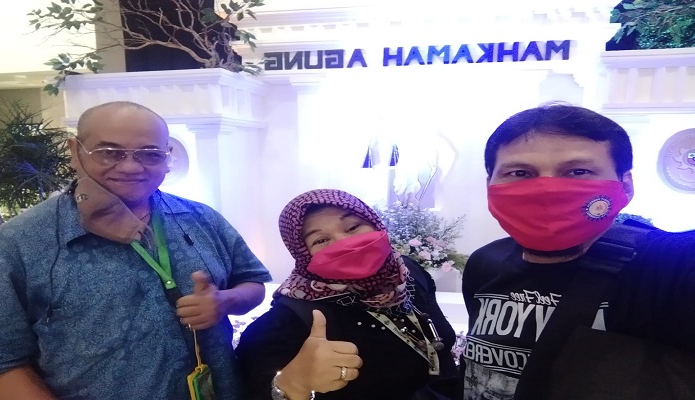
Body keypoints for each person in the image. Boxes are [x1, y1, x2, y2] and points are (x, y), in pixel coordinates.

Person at [0, 101, 272, 400]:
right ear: (75, 151)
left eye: (150, 154)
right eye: (109, 152)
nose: (131, 167)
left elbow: (253, 281)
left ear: (167, 156)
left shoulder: (201, 219)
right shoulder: (21, 242)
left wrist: (225, 301)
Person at [462, 104, 695, 399]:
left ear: (625, 185)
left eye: (578, 171)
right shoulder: (484, 264)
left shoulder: (669, 265)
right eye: (520, 172)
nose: (547, 189)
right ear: (490, 185)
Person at [236, 189, 461, 400]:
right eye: (320, 240)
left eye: (353, 227)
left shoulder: (406, 273)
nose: (346, 243)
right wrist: (292, 384)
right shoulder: (291, 318)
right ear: (303, 254)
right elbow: (255, 386)